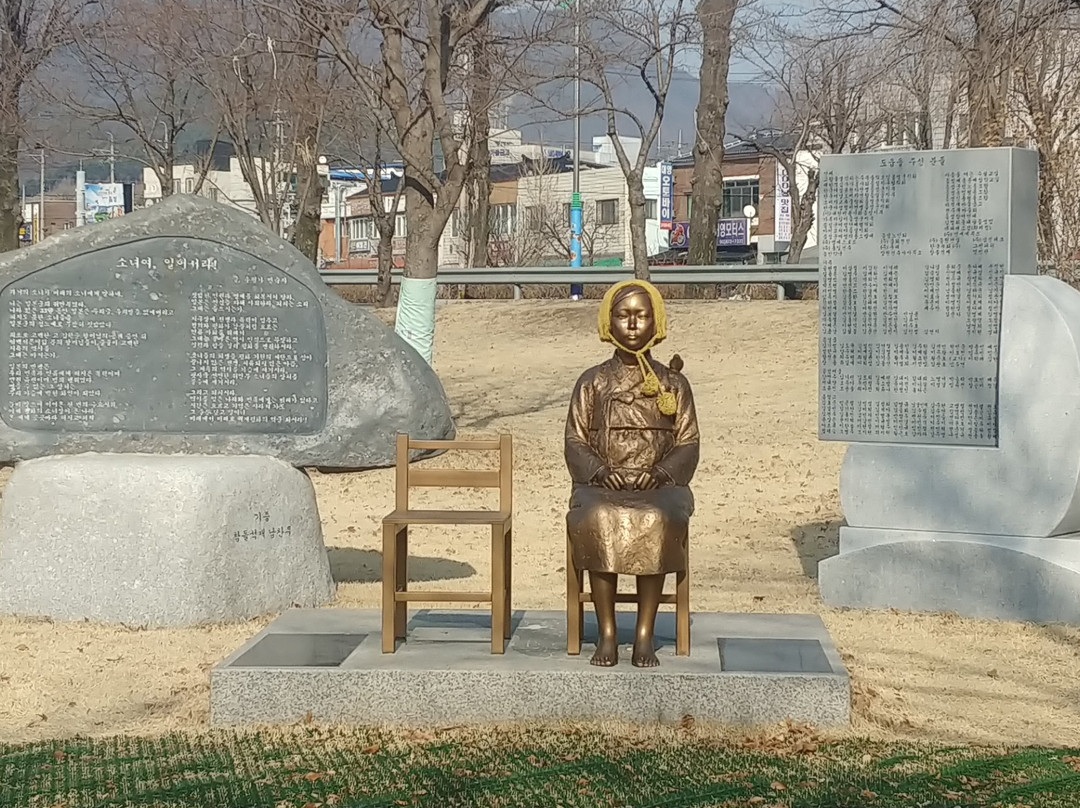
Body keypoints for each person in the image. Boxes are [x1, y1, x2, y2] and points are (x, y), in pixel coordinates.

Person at [564, 280, 700, 667]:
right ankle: (606, 632)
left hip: (660, 487)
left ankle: (644, 634)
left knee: (653, 520)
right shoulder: (592, 382)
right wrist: (599, 470)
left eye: (642, 316)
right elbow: (574, 439)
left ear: (656, 322)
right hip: (600, 485)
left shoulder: (674, 384)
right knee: (599, 518)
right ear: (609, 322)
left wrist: (659, 472)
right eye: (623, 316)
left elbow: (688, 442)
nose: (633, 324)